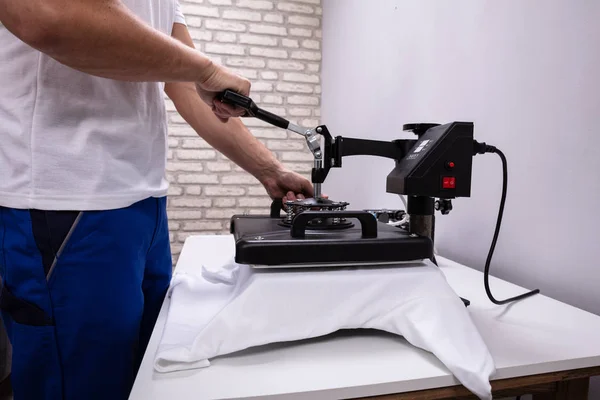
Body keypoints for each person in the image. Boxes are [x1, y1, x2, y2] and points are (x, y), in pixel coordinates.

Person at [0, 0, 314, 399]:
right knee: (82, 385)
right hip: (67, 200)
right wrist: (207, 69)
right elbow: (44, 15)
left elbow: (181, 82)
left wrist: (269, 170)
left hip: (143, 203)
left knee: (143, 378)